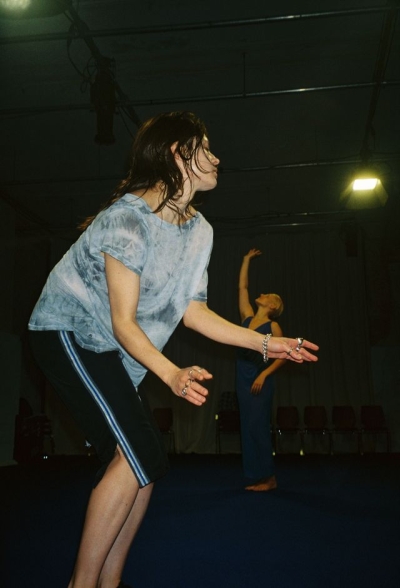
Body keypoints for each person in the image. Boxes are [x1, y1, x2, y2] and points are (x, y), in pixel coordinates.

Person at [28, 111, 319, 588]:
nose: (217, 157)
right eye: (206, 148)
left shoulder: (200, 230)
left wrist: (269, 343)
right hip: (67, 331)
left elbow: (194, 312)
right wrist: (172, 374)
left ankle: (110, 582)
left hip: (114, 349)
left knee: (145, 463)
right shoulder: (127, 219)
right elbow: (123, 323)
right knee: (136, 453)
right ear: (177, 154)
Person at [236, 248, 287, 492]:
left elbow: (283, 356)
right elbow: (242, 288)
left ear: (272, 305)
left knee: (258, 426)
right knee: (247, 427)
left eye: (266, 295)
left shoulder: (273, 326)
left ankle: (269, 477)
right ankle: (255, 476)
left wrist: (264, 374)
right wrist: (246, 260)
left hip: (260, 379)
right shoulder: (246, 318)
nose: (261, 294)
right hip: (242, 377)